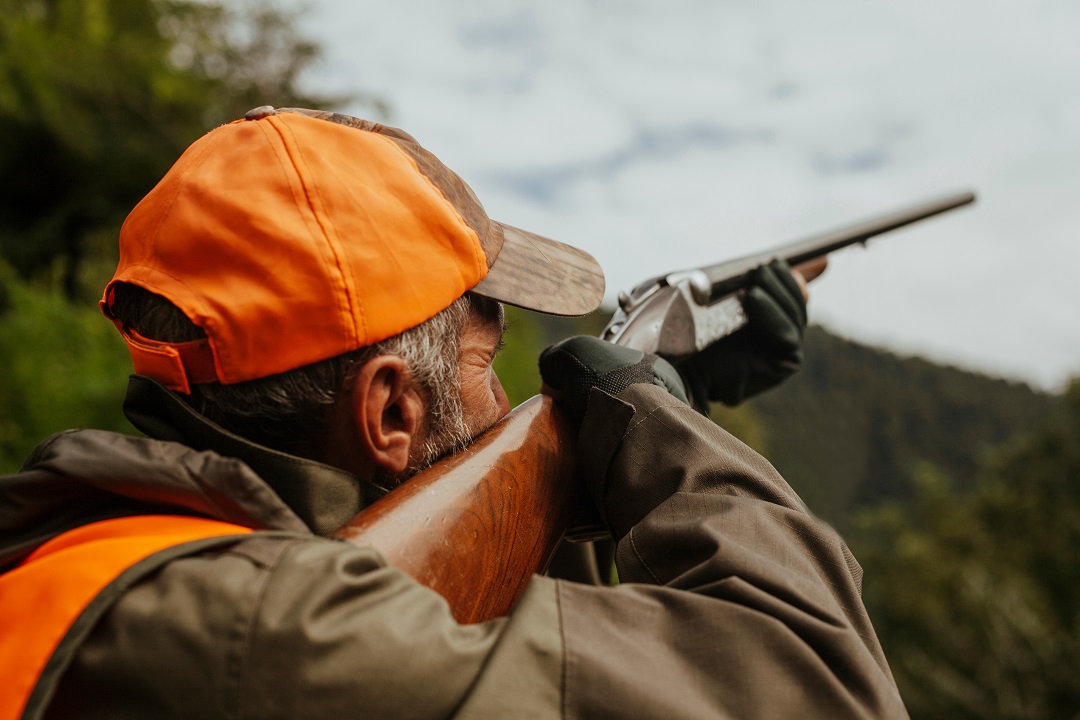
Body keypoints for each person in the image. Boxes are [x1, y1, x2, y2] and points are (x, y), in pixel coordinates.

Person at [0, 107, 907, 719]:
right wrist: (655, 423)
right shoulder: (274, 630)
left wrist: (683, 395)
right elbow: (819, 688)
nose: (510, 404)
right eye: (486, 363)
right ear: (392, 412)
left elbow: (492, 628)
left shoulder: (96, 566)